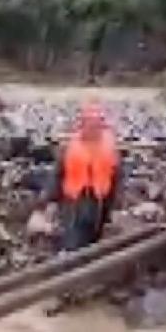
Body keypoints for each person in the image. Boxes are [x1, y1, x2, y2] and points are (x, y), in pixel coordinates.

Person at [40, 102, 123, 251]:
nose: (92, 127)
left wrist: (116, 207)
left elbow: (117, 179)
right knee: (72, 243)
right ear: (82, 124)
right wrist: (49, 201)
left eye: (96, 123)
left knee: (95, 242)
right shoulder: (69, 147)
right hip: (74, 203)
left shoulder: (110, 149)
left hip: (99, 204)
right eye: (89, 123)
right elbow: (58, 174)